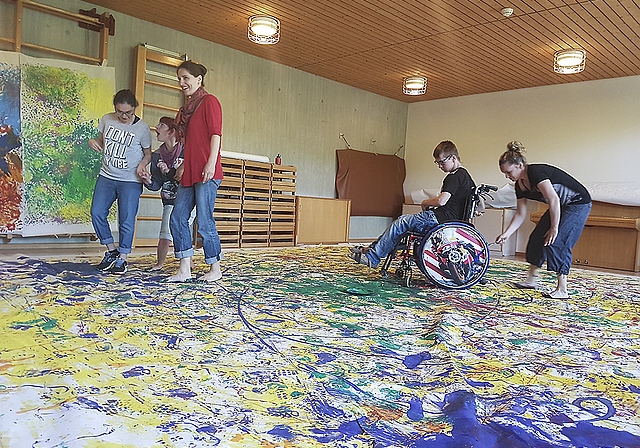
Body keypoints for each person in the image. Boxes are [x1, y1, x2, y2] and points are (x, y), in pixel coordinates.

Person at [350, 140, 477, 269]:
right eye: (437, 162)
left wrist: (424, 202)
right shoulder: (467, 177)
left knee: (401, 222)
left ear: (453, 158)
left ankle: (373, 257)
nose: (439, 166)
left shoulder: (454, 176)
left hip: (439, 220)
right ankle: (373, 249)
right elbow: (481, 205)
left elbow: (441, 201)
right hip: (452, 221)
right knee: (402, 225)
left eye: (441, 162)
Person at [495, 141, 592, 299]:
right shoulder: (519, 186)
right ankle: (531, 280)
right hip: (561, 204)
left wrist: (554, 228)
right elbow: (520, 214)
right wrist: (507, 233)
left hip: (578, 204)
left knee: (557, 240)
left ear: (520, 165)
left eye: (509, 172)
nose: (507, 176)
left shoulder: (536, 173)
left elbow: (553, 199)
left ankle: (562, 289)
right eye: (505, 173)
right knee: (537, 237)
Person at [167, 61, 223, 282]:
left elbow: (215, 135)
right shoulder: (186, 111)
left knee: (204, 219)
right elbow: (190, 142)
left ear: (199, 79)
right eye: (179, 78)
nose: (182, 82)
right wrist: (183, 164)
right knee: (178, 217)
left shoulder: (210, 102)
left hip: (207, 171)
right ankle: (184, 269)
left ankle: (215, 268)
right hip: (190, 171)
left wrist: (211, 163)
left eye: (186, 78)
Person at [89, 89, 152, 274]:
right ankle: (111, 251)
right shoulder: (107, 119)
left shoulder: (142, 129)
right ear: (114, 109)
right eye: (120, 112)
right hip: (107, 175)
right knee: (97, 212)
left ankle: (122, 259)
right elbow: (100, 141)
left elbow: (148, 154)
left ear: (135, 109)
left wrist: (142, 164)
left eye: (129, 113)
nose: (124, 116)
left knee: (126, 219)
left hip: (130, 180)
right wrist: (93, 142)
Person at [140, 117, 186, 271]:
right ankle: (160, 264)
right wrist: (147, 180)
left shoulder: (186, 150)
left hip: (186, 198)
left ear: (172, 131)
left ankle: (187, 263)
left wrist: (171, 171)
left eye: (161, 125)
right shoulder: (157, 155)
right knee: (165, 232)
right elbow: (156, 184)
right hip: (169, 198)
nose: (156, 127)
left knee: (181, 229)